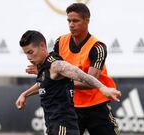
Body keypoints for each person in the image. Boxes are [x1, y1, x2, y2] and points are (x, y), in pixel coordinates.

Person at [26, 3, 120, 135]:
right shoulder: (61, 41)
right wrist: (26, 93)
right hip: (71, 108)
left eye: (75, 21)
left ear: (87, 21)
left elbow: (89, 82)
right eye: (69, 21)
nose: (71, 24)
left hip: (97, 106)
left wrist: (58, 80)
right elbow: (51, 72)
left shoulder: (97, 47)